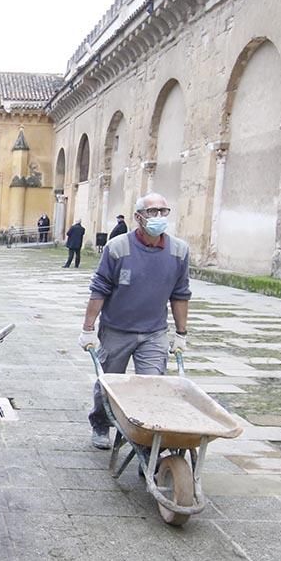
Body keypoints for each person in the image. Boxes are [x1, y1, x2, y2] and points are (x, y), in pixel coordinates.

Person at [78, 192, 191, 449]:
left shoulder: (179, 251)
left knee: (152, 386)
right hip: (117, 329)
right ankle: (101, 423)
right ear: (138, 217)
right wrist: (88, 329)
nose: (159, 217)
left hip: (154, 332)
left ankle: (147, 443)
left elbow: (181, 294)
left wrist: (181, 334)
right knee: (109, 383)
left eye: (164, 211)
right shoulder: (118, 248)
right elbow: (100, 289)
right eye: (153, 212)